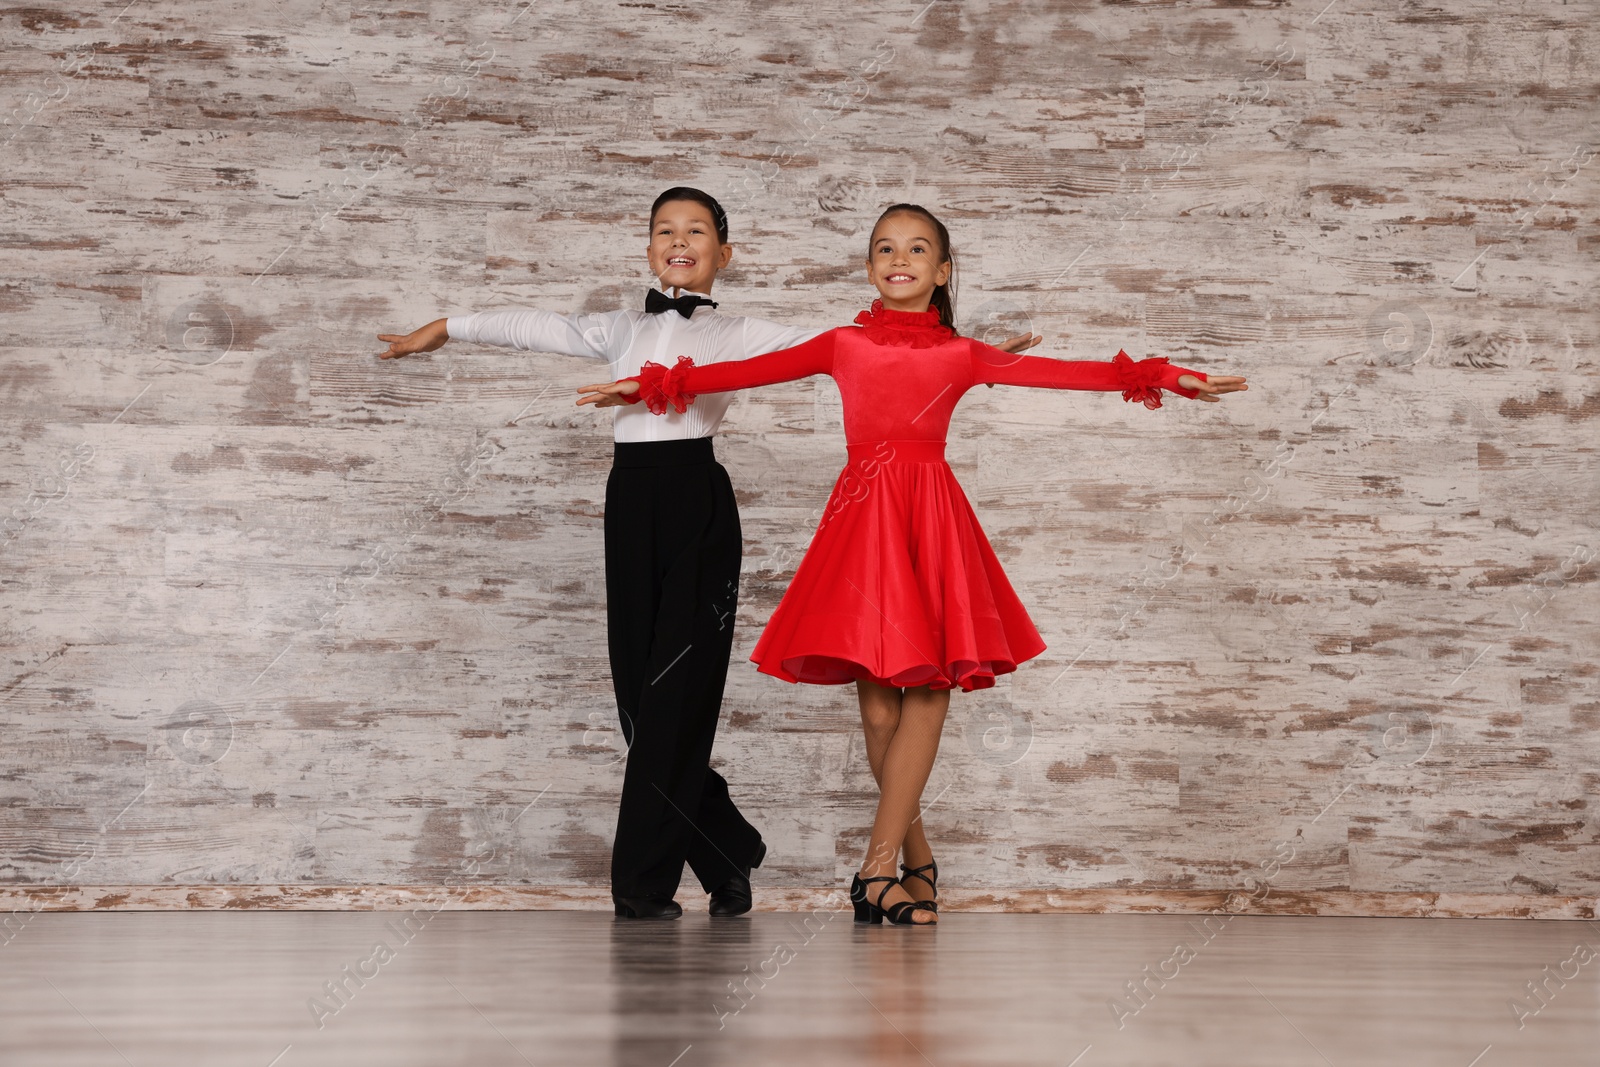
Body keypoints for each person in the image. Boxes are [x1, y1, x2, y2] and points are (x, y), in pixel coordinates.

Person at [377, 189, 1041, 921]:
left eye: (698, 230)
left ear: (726, 254)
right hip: (629, 503)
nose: (680, 239)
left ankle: (641, 885)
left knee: (677, 699)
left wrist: (960, 354)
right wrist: (447, 326)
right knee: (640, 701)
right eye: (665, 229)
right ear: (649, 247)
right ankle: (725, 845)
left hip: (698, 502)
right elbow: (536, 326)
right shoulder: (619, 326)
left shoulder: (742, 332)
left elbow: (855, 343)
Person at [578, 203, 1248, 924]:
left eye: (918, 248)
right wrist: (650, 386)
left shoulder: (961, 355)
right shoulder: (843, 343)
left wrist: (1164, 375)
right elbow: (748, 369)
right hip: (864, 522)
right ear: (870, 269)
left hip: (931, 518)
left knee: (929, 688)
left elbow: (1062, 373)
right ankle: (916, 856)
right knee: (877, 712)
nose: (900, 258)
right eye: (886, 248)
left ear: (942, 270)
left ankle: (874, 872)